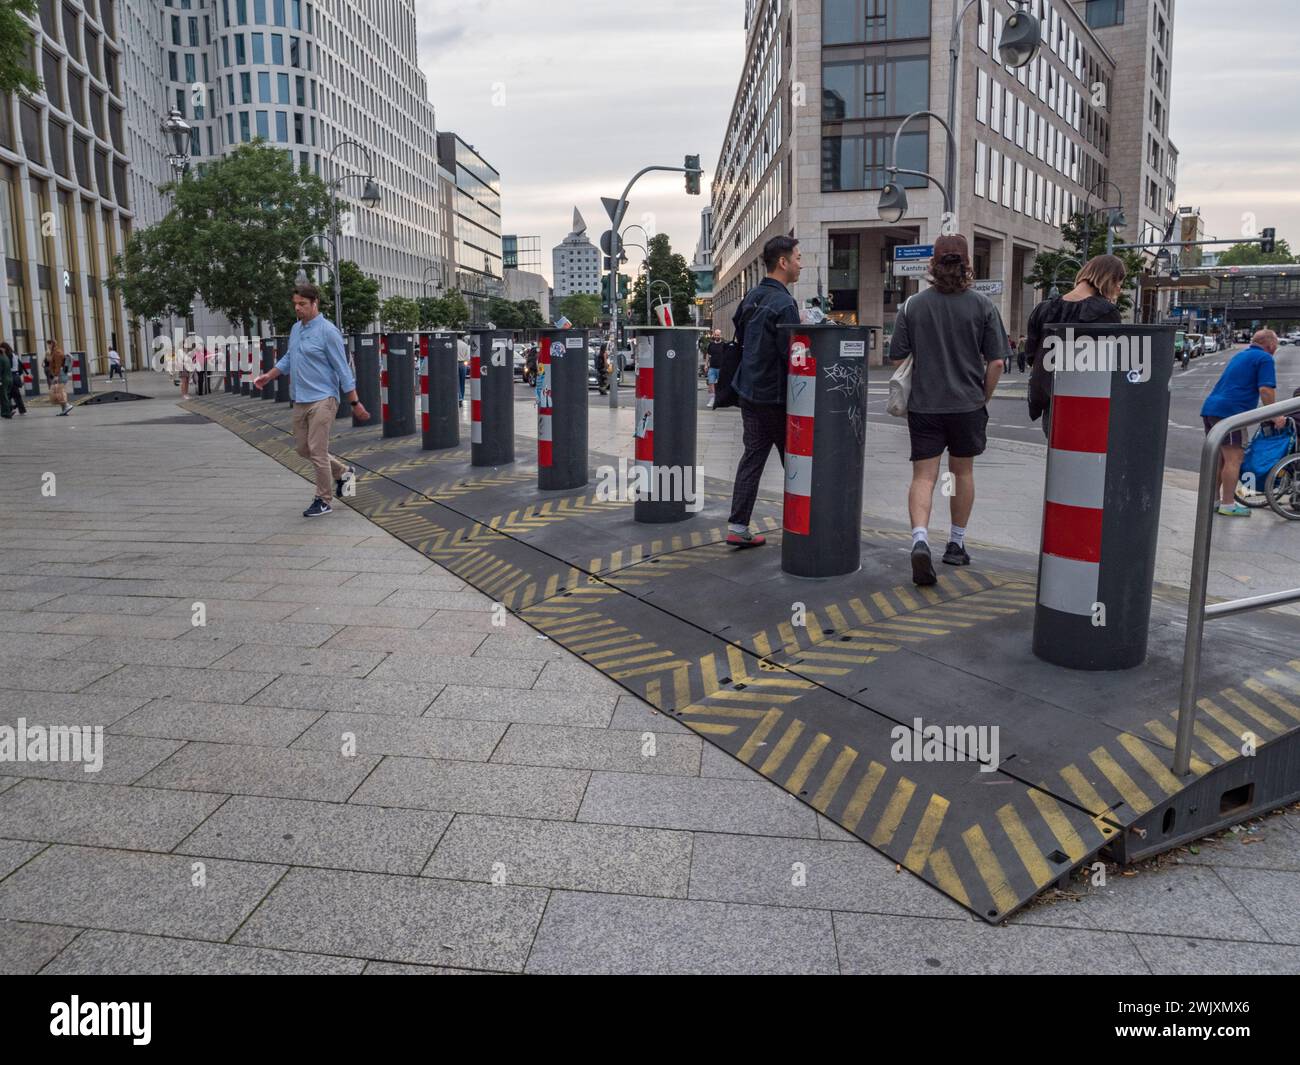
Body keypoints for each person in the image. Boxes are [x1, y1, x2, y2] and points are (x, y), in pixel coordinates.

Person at [888, 234, 1007, 585]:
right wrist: (982, 398)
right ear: (967, 264)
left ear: (932, 264)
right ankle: (956, 544)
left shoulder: (913, 306)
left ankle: (920, 540)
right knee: (960, 474)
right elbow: (997, 362)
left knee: (924, 476)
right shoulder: (983, 306)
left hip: (925, 405)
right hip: (967, 405)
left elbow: (897, 357)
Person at [252, 283, 370, 517]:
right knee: (303, 449)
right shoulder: (296, 329)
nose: (298, 308)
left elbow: (343, 369)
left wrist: (355, 403)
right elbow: (289, 357)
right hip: (300, 399)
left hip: (323, 399)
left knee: (317, 450)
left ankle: (323, 500)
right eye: (295, 304)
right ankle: (344, 473)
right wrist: (269, 375)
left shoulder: (328, 331)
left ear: (315, 303)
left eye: (302, 304)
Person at [726, 234, 802, 547]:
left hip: (748, 391)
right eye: (798, 258)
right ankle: (805, 526)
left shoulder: (751, 297)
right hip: (776, 396)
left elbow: (741, 335)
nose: (800, 264)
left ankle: (737, 526)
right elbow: (791, 355)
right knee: (797, 461)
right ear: (783, 262)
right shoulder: (785, 304)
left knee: (753, 458)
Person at [1026, 254, 1126, 439]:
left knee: (1058, 453)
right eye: (1119, 283)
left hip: (1052, 403)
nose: (1119, 289)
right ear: (1110, 280)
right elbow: (1112, 365)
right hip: (1090, 403)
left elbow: (1031, 356)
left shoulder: (1043, 310)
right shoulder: (1106, 312)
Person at [1200, 328, 1288, 518]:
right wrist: (1275, 415)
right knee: (1234, 459)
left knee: (1220, 459)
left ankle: (1214, 501)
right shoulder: (1264, 358)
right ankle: (1228, 504)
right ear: (1270, 345)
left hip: (1211, 409)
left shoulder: (1241, 355)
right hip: (1231, 413)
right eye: (1276, 344)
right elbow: (1265, 390)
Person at [47, 341, 73, 416]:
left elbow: (58, 365)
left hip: (60, 374)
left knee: (60, 391)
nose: (48, 346)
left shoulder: (57, 353)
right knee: (59, 391)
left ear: (52, 344)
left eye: (49, 345)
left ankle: (67, 405)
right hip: (59, 374)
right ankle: (64, 410)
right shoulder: (54, 352)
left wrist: (56, 375)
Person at [2, 344, 25, 416]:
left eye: (2, 348)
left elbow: (9, 366)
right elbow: (21, 365)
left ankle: (11, 409)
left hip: (11, 375)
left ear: (5, 348)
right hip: (15, 375)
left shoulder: (8, 356)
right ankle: (18, 409)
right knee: (14, 394)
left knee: (9, 394)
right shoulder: (14, 354)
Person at [704, 328, 724, 409]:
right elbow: (708, 355)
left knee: (720, 385)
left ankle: (719, 399)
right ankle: (712, 399)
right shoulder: (711, 345)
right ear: (714, 335)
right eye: (715, 335)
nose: (716, 336)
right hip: (712, 368)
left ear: (721, 335)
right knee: (711, 383)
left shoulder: (724, 345)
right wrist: (706, 365)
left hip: (721, 368)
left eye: (718, 335)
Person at [456, 334, 470, 407]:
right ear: (462, 337)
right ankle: (462, 398)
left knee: (457, 381)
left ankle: (459, 398)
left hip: (455, 363)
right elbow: (467, 357)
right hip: (463, 364)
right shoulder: (465, 345)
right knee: (462, 381)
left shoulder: (454, 343)